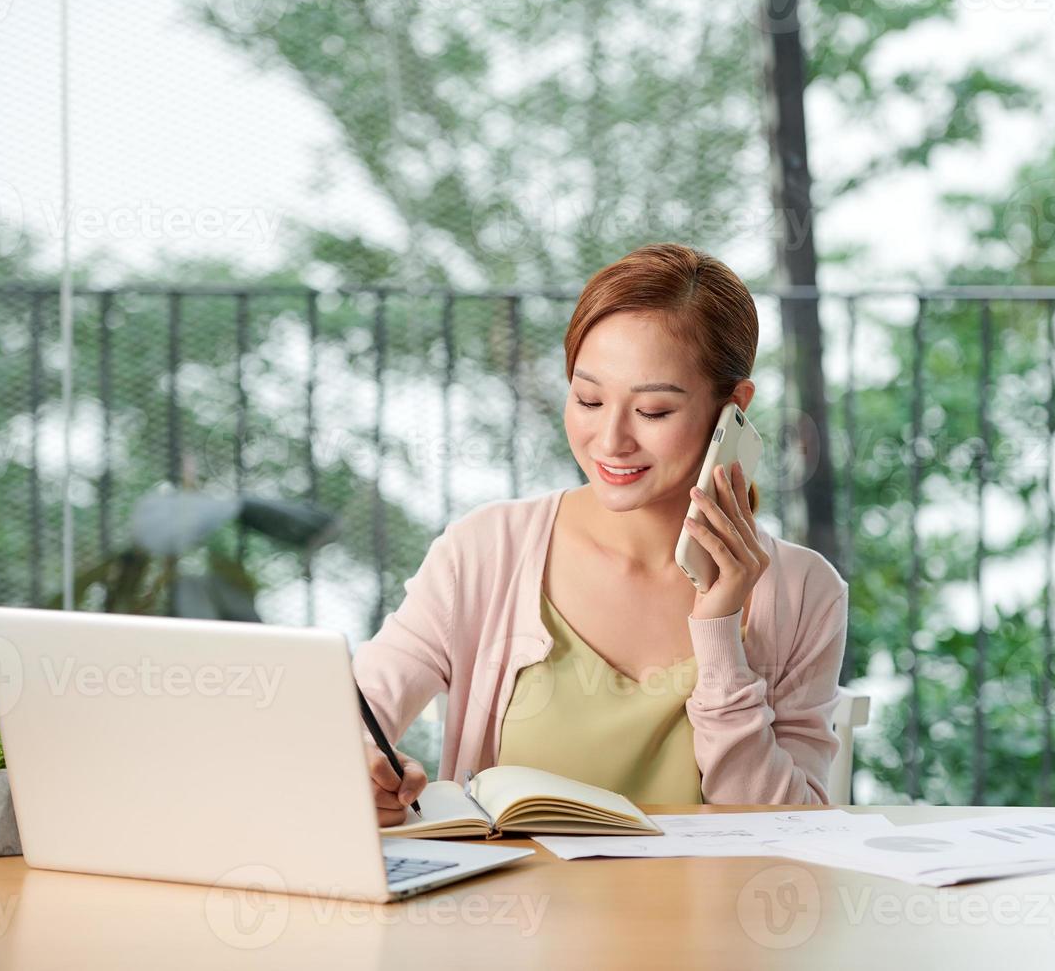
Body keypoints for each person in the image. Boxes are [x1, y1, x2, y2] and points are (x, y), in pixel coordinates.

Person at [355, 243, 850, 826]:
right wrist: (361, 769)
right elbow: (352, 716)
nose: (610, 440)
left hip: (709, 916)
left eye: (654, 411)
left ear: (733, 409)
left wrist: (720, 630)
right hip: (509, 915)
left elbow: (794, 829)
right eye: (588, 398)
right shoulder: (484, 551)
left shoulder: (803, 592)